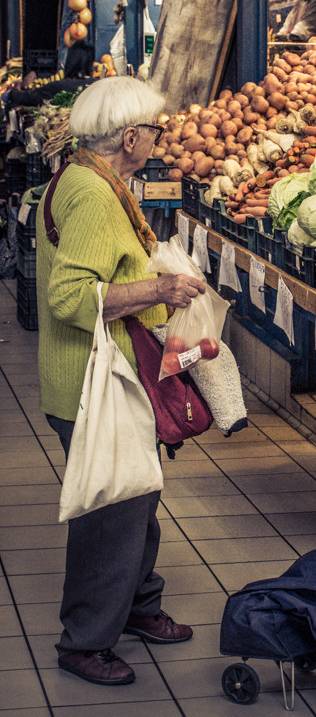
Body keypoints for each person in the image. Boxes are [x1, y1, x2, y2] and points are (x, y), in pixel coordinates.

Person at [35, 76, 207, 687]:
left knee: (138, 496)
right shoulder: (91, 194)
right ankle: (84, 642)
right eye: (156, 130)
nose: (161, 139)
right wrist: (160, 289)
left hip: (112, 377)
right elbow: (69, 296)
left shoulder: (94, 180)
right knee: (112, 511)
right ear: (130, 136)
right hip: (92, 384)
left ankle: (139, 606)